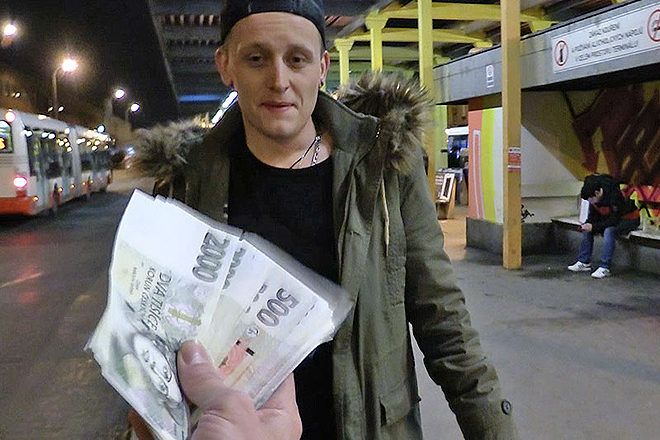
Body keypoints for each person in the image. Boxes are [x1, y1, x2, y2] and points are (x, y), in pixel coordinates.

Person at [133, 1, 518, 438]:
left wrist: (494, 429)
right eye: (256, 58)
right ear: (226, 66)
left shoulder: (382, 165)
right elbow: (155, 340)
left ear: (322, 67)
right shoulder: (187, 183)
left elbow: (443, 319)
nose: (279, 80)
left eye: (297, 59)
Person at [568, 173, 640, 278]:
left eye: (591, 199)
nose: (591, 202)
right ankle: (584, 261)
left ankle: (604, 267)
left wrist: (594, 227)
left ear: (597, 193)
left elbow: (614, 221)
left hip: (629, 219)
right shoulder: (593, 199)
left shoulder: (615, 196)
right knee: (588, 229)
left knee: (609, 230)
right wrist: (588, 224)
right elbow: (593, 216)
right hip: (609, 218)